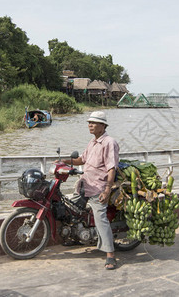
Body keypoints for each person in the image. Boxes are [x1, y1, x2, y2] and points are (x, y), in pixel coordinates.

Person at [62, 111, 119, 270]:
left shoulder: (109, 142)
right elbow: (81, 160)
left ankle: (110, 254)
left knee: (100, 218)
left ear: (103, 125)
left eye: (94, 123)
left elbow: (111, 168)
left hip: (98, 187)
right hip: (85, 185)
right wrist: (64, 161)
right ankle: (76, 236)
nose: (90, 125)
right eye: (89, 122)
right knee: (70, 207)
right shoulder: (92, 142)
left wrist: (107, 190)